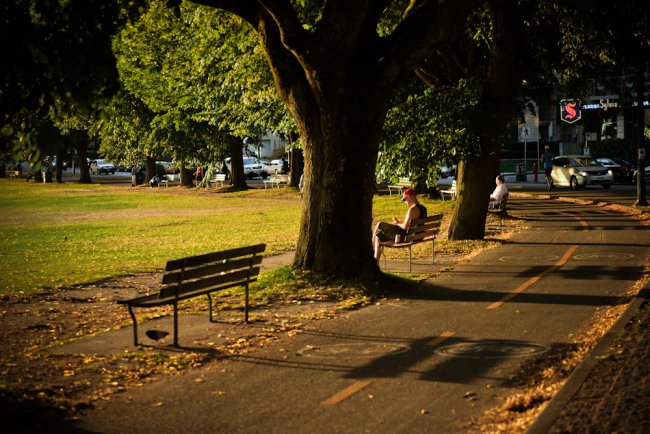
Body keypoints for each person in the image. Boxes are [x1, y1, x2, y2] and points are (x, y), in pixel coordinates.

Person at [372, 188, 427, 263]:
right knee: (379, 235)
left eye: (405, 200)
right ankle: (375, 262)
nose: (405, 203)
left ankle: (371, 243)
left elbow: (405, 227)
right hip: (417, 237)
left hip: (406, 237)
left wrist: (397, 223)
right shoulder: (423, 208)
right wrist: (400, 223)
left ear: (408, 197)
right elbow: (410, 225)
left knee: (380, 224)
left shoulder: (412, 209)